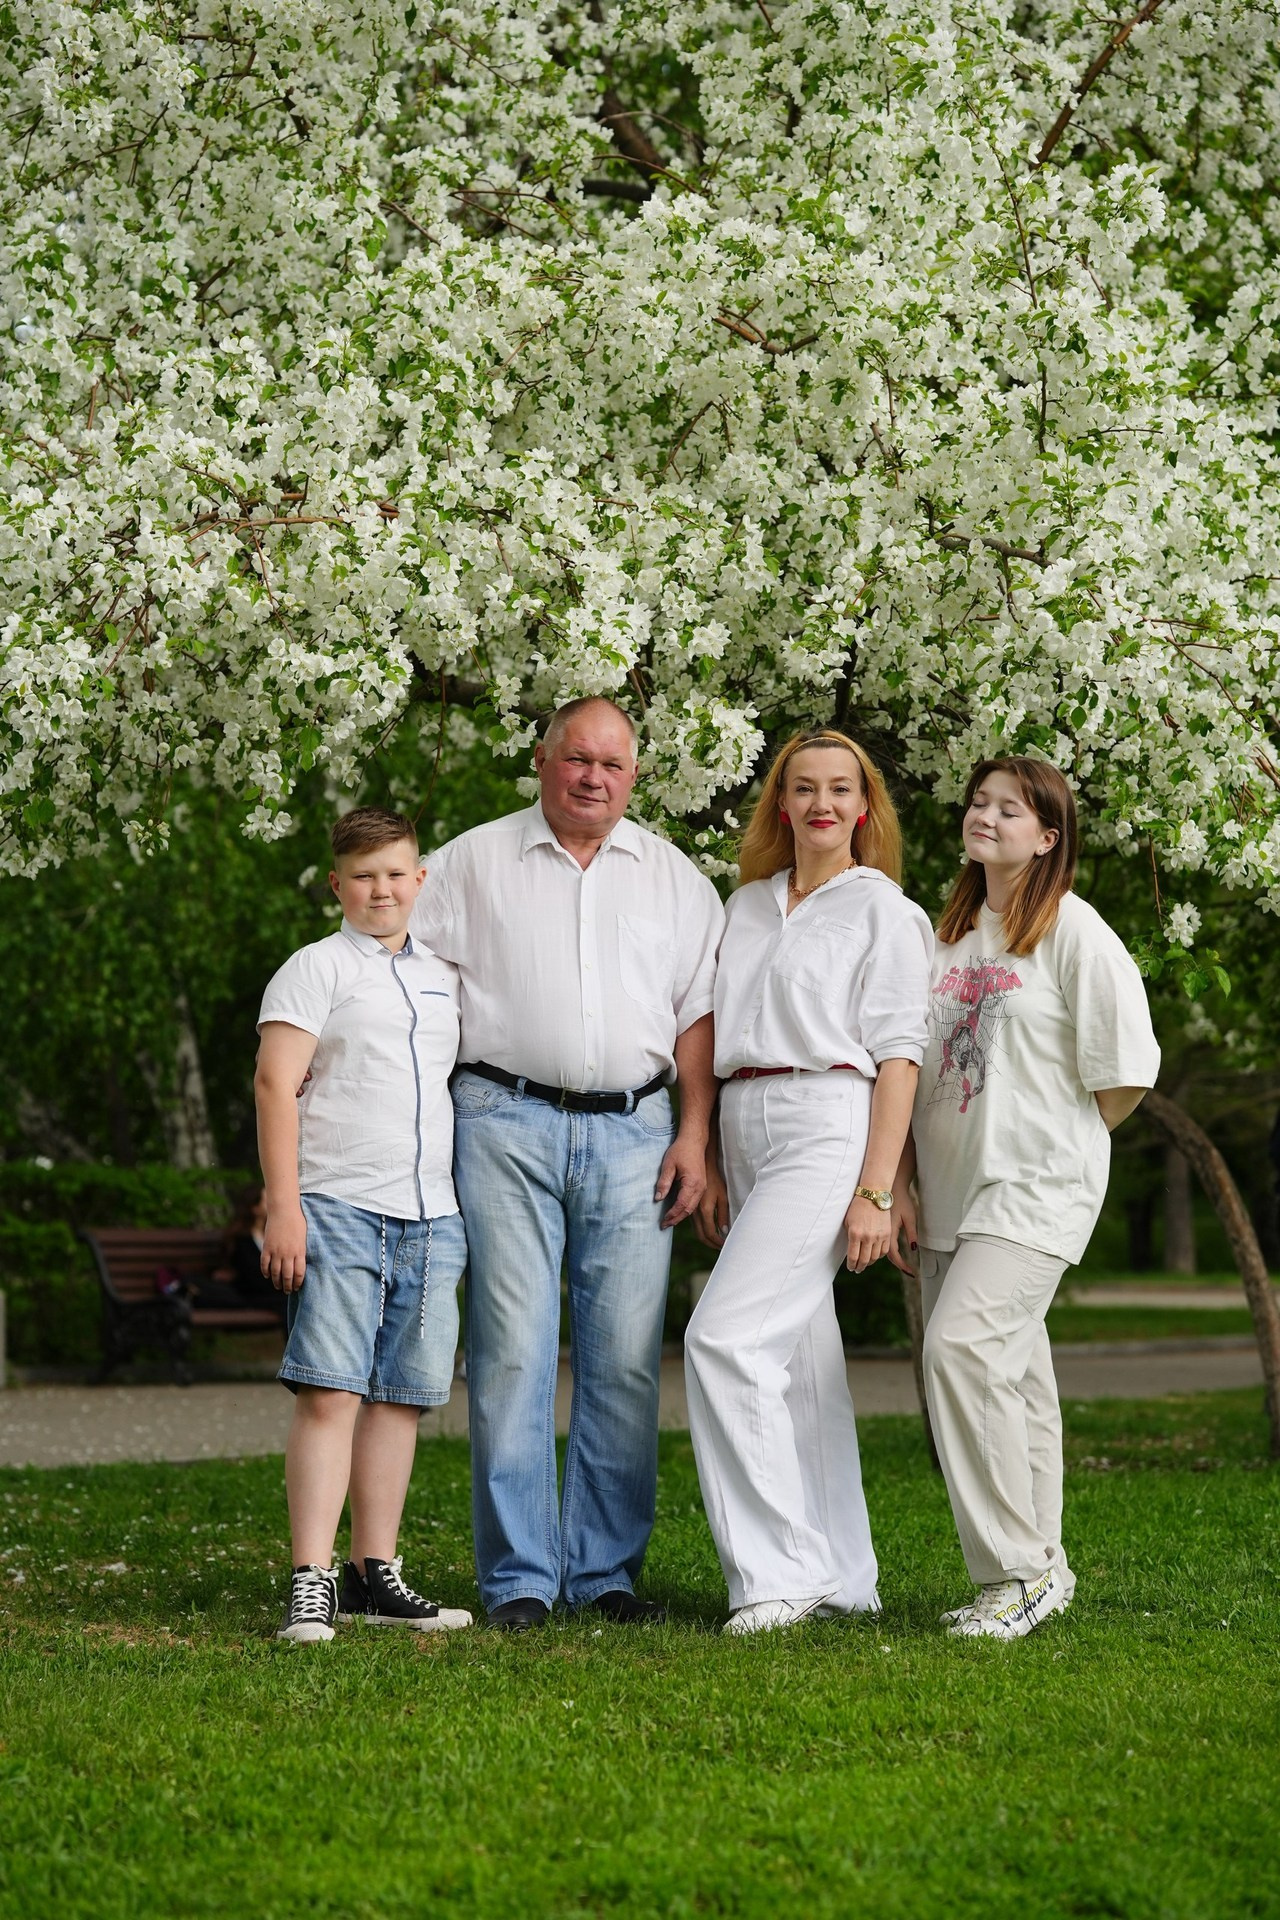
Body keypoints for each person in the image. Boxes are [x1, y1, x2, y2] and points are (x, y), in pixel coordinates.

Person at [412, 697, 723, 1629]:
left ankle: (603, 1573)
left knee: (624, 1360)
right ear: (543, 761)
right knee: (511, 1352)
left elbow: (697, 1018)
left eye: (612, 765)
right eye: (578, 759)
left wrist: (695, 1134)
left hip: (637, 1132)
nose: (593, 778)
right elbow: (411, 985)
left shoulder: (673, 879)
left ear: (635, 777)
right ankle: (519, 1579)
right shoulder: (469, 863)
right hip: (501, 1120)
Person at [897, 757, 1160, 1640]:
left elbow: (1123, 1076)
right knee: (1011, 1376)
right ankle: (1045, 1566)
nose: (986, 816)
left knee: (961, 1351)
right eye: (979, 802)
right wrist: (901, 1182)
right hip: (950, 1190)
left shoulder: (1074, 931)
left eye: (1009, 809)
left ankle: (1016, 1572)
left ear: (1047, 837)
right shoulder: (945, 937)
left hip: (1037, 1187)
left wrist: (1049, 1142)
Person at [684, 729, 934, 1633]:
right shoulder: (745, 905)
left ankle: (776, 1577)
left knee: (723, 1340)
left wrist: (878, 1189)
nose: (821, 803)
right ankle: (842, 1575)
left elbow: (899, 1057)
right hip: (745, 1118)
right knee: (797, 1360)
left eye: (839, 789)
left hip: (829, 1117)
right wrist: (713, 1155)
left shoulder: (884, 911)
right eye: (803, 788)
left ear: (864, 808)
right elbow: (719, 1033)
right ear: (781, 804)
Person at [256, 807, 473, 1643]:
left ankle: (373, 1573)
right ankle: (310, 1580)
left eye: (395, 874)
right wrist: (284, 1206)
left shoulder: (443, 975)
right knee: (331, 1391)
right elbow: (275, 1084)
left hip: (431, 1213)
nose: (381, 890)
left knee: (400, 1399)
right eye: (363, 876)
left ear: (420, 879)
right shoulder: (314, 969)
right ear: (336, 885)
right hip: (338, 1204)